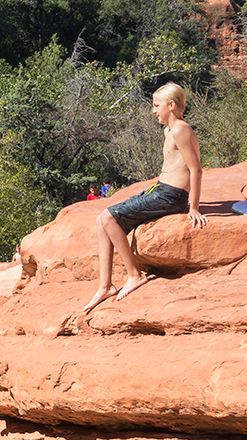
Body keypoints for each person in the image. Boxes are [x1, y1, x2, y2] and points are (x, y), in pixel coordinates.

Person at [85, 82, 204, 312]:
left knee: (109, 217)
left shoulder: (181, 129)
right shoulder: (168, 130)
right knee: (102, 221)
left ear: (171, 105)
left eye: (156, 105)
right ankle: (105, 285)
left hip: (172, 195)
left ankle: (134, 275)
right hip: (161, 189)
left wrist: (194, 207)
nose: (153, 110)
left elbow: (196, 170)